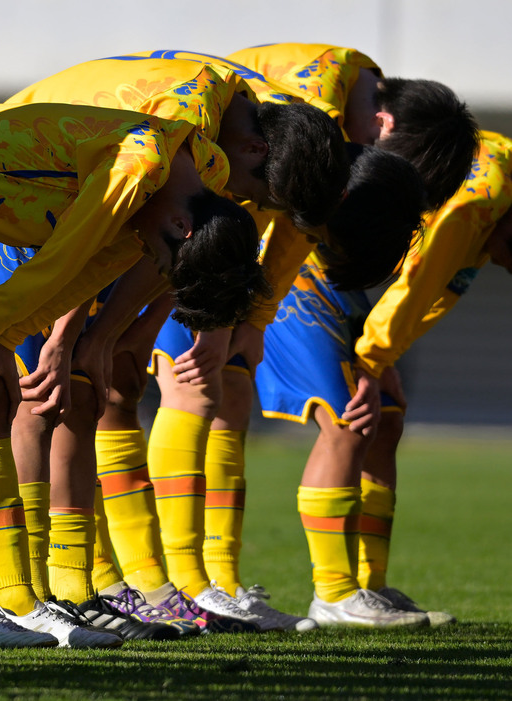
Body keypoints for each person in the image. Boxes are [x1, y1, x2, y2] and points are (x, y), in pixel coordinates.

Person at [0, 101, 267, 646]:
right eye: (164, 257)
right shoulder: (138, 170)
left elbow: (85, 275)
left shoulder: (202, 175)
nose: (154, 263)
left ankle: (21, 601)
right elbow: (59, 265)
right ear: (182, 225)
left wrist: (0, 339)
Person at [4, 49, 357, 631]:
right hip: (21, 193)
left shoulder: (215, 150)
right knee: (41, 397)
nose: (246, 204)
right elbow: (90, 232)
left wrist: (125, 331)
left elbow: (166, 241)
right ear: (255, 152)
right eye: (255, 195)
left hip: (77, 211)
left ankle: (102, 585)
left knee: (92, 389)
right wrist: (71, 335)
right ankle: (32, 593)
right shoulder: (183, 124)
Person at [170, 42, 478, 628]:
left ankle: (276, 584)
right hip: (219, 250)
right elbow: (289, 214)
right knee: (192, 396)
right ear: (381, 128)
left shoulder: (338, 107)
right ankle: (220, 587)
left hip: (248, 259)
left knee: (366, 412)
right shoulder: (314, 117)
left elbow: (419, 282)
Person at [256, 130, 508, 628]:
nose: (505, 265)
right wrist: (371, 363)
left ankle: (369, 587)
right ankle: (333, 595)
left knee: (385, 421)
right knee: (347, 418)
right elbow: (418, 282)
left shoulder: (495, 196)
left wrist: (381, 360)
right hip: (300, 263)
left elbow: (432, 293)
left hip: (333, 270)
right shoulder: (478, 203)